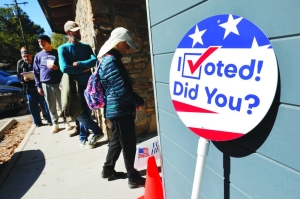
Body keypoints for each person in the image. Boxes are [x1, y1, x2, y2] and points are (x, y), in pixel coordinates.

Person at [97, 27, 146, 188]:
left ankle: (108, 169)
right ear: (118, 43)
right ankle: (133, 177)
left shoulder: (108, 59)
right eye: (126, 45)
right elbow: (122, 89)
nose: (127, 49)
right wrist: (138, 101)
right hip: (120, 109)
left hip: (115, 109)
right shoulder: (112, 61)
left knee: (118, 140)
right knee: (129, 143)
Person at [58, 21, 104, 148]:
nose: (78, 33)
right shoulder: (63, 48)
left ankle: (83, 137)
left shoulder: (85, 46)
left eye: (79, 30)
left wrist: (79, 64)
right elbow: (64, 68)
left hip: (89, 85)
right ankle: (97, 131)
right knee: (77, 113)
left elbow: (94, 60)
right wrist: (83, 69)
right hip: (73, 87)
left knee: (87, 113)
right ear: (68, 33)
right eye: (75, 31)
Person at [33, 35, 72, 134]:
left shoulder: (57, 53)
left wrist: (57, 68)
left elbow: (64, 67)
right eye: (39, 42)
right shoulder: (38, 56)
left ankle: (66, 122)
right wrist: (38, 86)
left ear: (48, 42)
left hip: (58, 82)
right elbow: (36, 72)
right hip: (45, 83)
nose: (40, 43)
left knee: (63, 103)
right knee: (51, 105)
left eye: (42, 41)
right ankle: (55, 123)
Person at [17, 47, 52, 127]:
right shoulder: (20, 63)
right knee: (33, 107)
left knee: (45, 105)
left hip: (40, 87)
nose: (26, 58)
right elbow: (19, 76)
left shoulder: (38, 60)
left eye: (27, 56)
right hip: (29, 88)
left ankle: (50, 120)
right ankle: (37, 122)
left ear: (31, 55)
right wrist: (23, 79)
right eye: (24, 57)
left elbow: (46, 70)